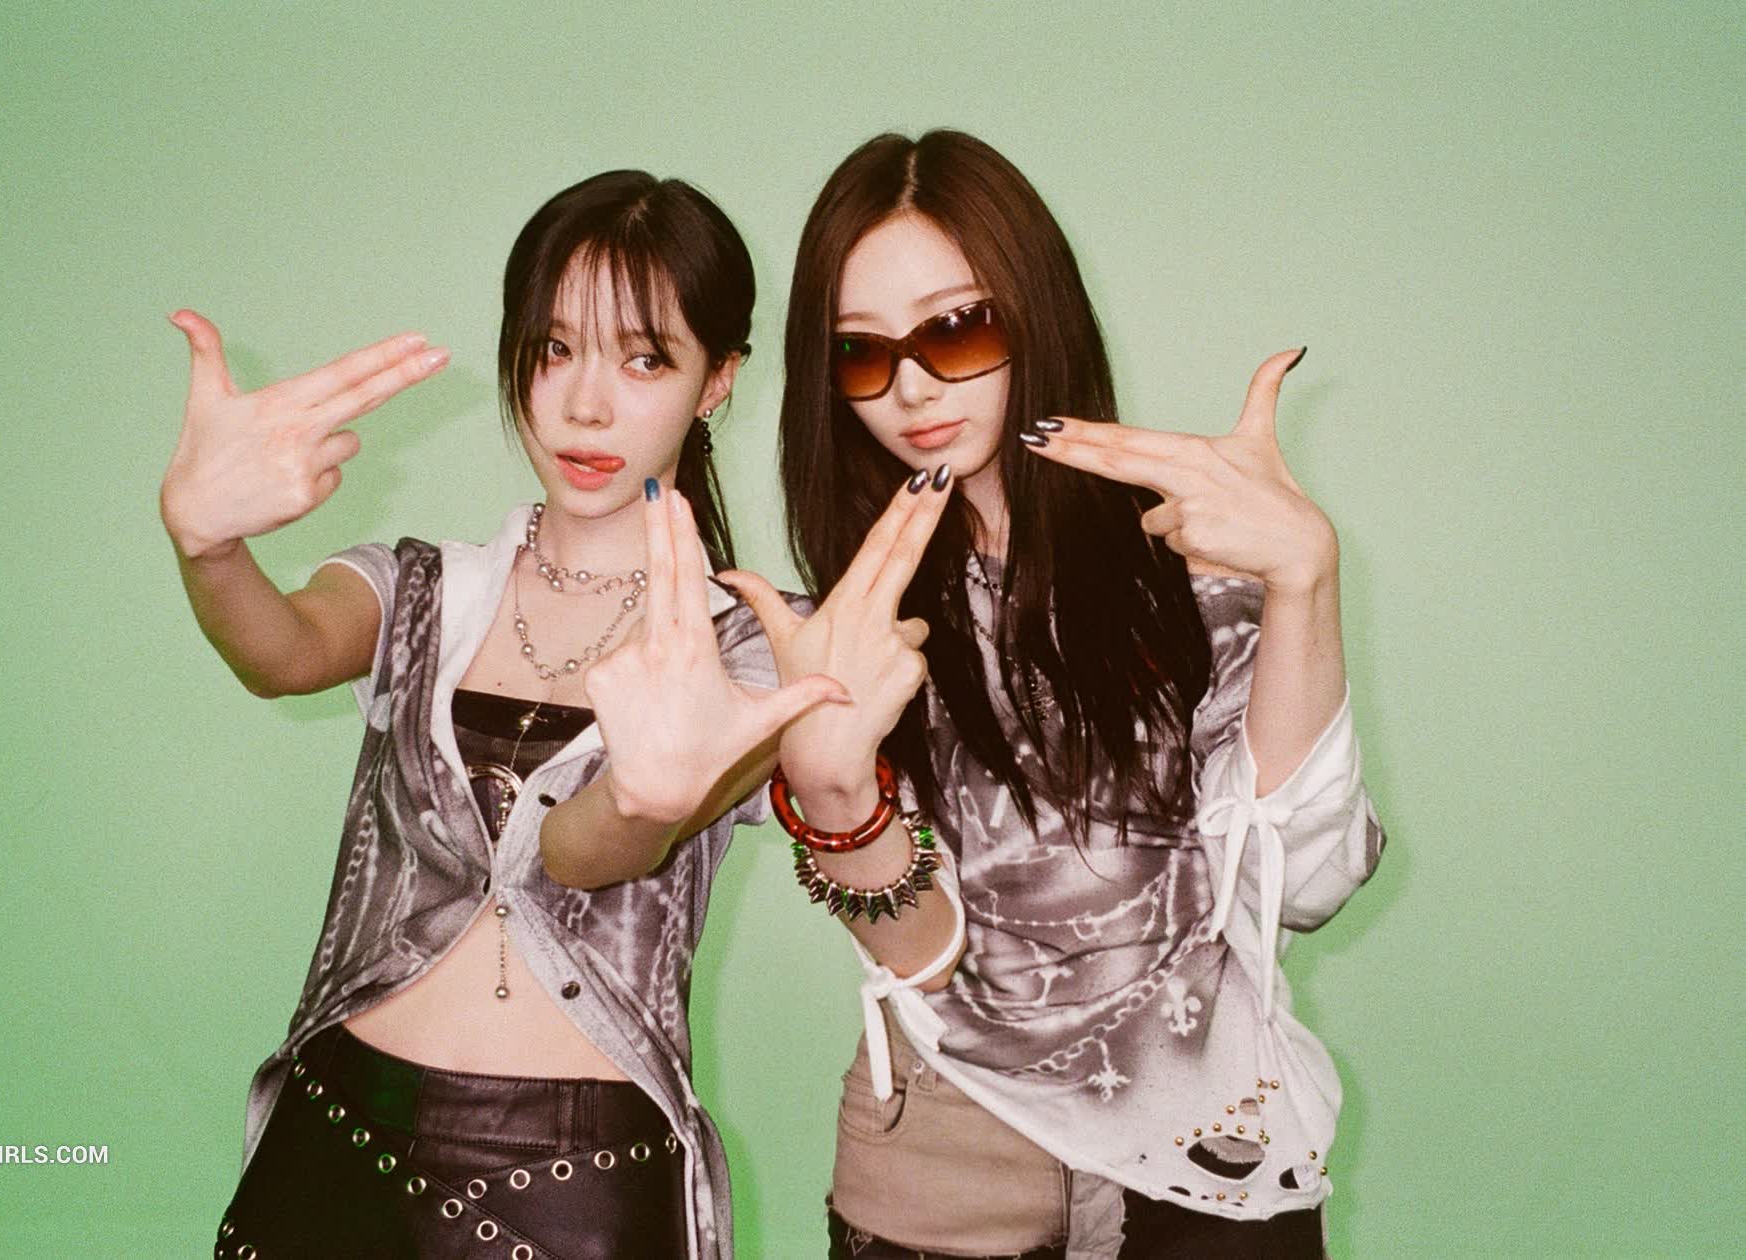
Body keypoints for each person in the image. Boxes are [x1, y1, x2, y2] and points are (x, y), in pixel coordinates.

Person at [160, 170, 848, 1260]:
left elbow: (592, 851)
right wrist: (207, 546)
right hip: (333, 1141)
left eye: (644, 358)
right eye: (554, 349)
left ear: (717, 378)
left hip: (580, 1189)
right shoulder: (426, 586)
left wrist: (643, 800)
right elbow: (279, 651)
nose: (585, 405)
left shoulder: (753, 644)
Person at [724, 129, 1386, 1257]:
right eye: (862, 353)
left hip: (1212, 1175)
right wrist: (832, 795)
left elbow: (1307, 881)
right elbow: (919, 952)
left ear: (1039, 312)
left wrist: (1302, 581)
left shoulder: (1186, 570)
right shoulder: (832, 636)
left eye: (954, 328)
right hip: (939, 1190)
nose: (913, 387)